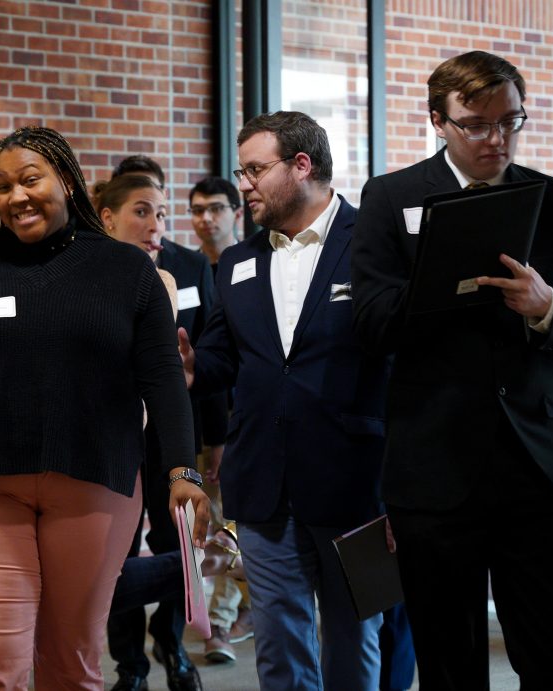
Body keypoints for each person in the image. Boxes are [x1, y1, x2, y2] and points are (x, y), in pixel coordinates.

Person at [0, 126, 210, 690]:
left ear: (66, 181)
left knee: (71, 662)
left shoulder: (125, 270)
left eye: (29, 179)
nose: (16, 196)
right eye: (0, 187)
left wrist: (182, 470)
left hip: (95, 485)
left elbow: (164, 381)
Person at [351, 50, 553, 690]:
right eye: (476, 124)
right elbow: (370, 326)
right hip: (434, 471)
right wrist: (441, 284)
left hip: (539, 467)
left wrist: (549, 309)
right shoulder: (391, 197)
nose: (497, 138)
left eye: (511, 121)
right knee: (450, 665)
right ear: (438, 121)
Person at [178, 111, 389, 690]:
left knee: (351, 641)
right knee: (279, 646)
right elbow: (226, 355)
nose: (244, 185)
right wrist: (196, 367)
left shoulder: (374, 241)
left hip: (355, 482)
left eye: (254, 170)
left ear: (302, 166)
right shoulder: (240, 262)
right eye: (241, 171)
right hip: (263, 483)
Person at [103, 159, 222, 691]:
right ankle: (130, 664)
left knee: (177, 539)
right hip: (113, 436)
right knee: (118, 552)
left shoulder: (189, 268)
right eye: (142, 211)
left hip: (174, 432)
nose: (156, 224)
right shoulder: (89, 271)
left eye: (161, 212)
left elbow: (212, 355)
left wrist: (214, 438)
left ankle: (173, 644)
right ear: (108, 216)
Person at [187, 175, 255, 662]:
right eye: (196, 210)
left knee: (233, 518)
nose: (206, 218)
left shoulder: (249, 263)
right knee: (207, 523)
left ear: (235, 211)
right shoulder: (185, 267)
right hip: (193, 417)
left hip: (238, 418)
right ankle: (234, 611)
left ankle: (222, 624)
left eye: (215, 208)